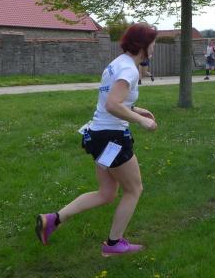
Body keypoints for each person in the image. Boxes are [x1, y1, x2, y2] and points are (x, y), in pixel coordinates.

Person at [36, 23, 158, 256]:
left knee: (106, 193)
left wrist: (137, 110)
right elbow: (112, 104)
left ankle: (52, 220)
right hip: (112, 138)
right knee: (134, 190)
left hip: (97, 135)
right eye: (152, 43)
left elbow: (113, 101)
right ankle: (113, 245)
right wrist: (141, 121)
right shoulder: (129, 70)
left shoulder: (117, 64)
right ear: (143, 45)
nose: (154, 47)